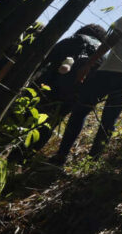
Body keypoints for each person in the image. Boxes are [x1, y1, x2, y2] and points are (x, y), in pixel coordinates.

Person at [51, 5, 122, 165]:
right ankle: (92, 161)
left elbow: (110, 41)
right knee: (109, 120)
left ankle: (61, 155)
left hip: (110, 72)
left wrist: (89, 64)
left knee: (81, 110)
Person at [25, 24, 105, 156]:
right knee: (50, 123)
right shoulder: (101, 55)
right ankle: (28, 154)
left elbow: (45, 61)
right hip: (72, 96)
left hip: (48, 87)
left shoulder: (72, 40)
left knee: (31, 114)